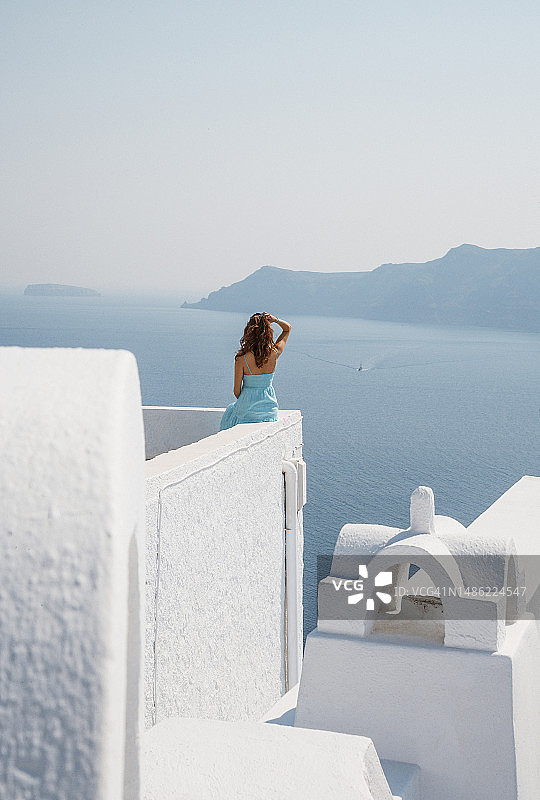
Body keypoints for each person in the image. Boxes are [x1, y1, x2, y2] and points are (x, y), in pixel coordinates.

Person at [219, 312, 292, 431]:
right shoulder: (274, 353)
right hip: (269, 411)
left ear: (248, 332)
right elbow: (287, 329)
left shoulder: (241, 358)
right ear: (268, 333)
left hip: (247, 410)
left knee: (230, 414)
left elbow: (236, 391)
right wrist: (275, 320)